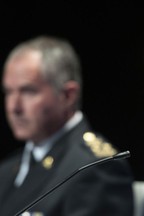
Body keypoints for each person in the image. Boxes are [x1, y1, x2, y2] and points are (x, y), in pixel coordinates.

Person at [0, 35, 134, 216]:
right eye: (8, 92)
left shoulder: (96, 168)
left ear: (68, 96)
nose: (13, 107)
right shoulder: (8, 169)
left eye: (28, 91)